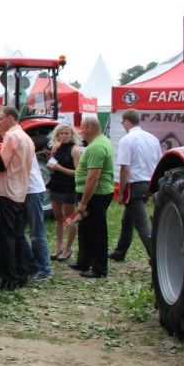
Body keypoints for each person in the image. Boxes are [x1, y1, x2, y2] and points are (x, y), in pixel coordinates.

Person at [109, 109, 162, 261]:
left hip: (134, 185)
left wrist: (120, 192)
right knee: (128, 220)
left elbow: (125, 169)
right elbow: (158, 163)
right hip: (149, 183)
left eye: (123, 122)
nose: (123, 125)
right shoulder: (152, 138)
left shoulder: (127, 139)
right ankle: (120, 252)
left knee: (142, 225)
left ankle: (156, 259)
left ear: (127, 121)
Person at [0, 105, 35, 290]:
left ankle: (9, 278)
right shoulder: (27, 138)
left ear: (11, 117)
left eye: (1, 118)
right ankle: (21, 273)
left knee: (6, 238)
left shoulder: (11, 136)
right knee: (18, 236)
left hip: (7, 193)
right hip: (20, 193)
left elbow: (1, 163)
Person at [70, 116, 114, 278]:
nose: (81, 131)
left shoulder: (97, 147)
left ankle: (99, 268)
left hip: (95, 195)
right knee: (85, 229)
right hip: (91, 194)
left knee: (97, 232)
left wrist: (83, 203)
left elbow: (93, 178)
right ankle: (84, 261)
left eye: (82, 127)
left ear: (90, 127)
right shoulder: (98, 142)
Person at [46, 122, 82, 261]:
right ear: (57, 135)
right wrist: (50, 160)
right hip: (56, 186)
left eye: (67, 133)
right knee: (58, 217)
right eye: (61, 133)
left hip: (69, 188)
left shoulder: (75, 150)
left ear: (72, 135)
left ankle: (68, 247)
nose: (64, 136)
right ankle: (59, 246)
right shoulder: (56, 148)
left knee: (70, 219)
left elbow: (77, 173)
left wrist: (59, 168)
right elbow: (51, 167)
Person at [22, 155, 51, 280]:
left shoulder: (17, 138)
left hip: (32, 191)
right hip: (26, 191)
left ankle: (43, 270)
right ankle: (32, 265)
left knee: (36, 232)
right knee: (20, 232)